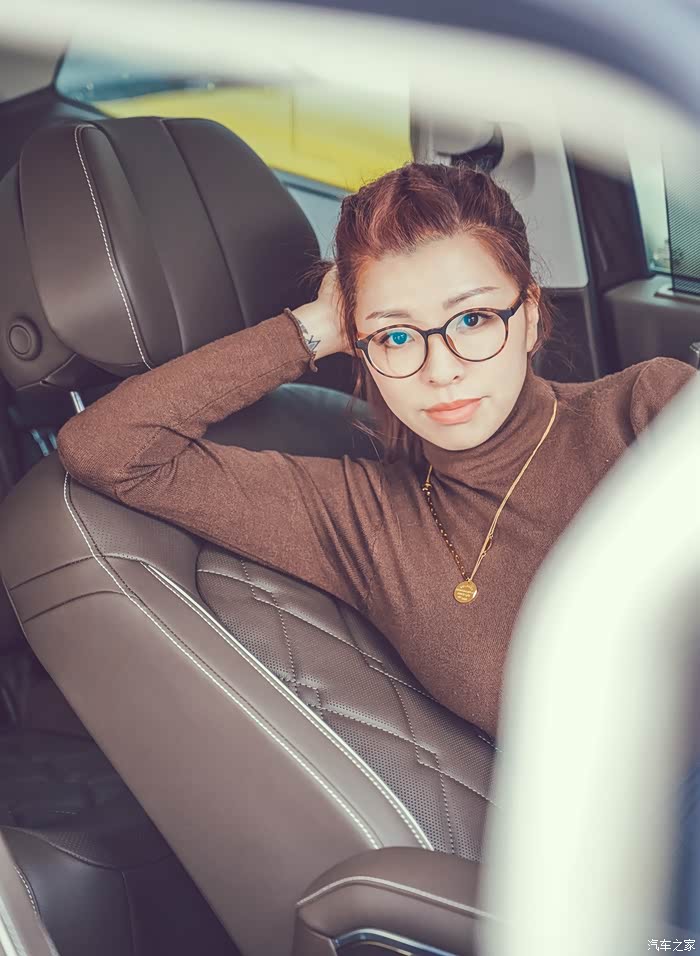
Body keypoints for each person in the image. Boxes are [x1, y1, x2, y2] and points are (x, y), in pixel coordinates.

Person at [56, 162, 695, 744]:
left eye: (473, 320)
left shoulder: (649, 409)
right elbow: (107, 449)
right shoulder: (363, 519)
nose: (441, 370)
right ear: (358, 347)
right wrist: (310, 329)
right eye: (395, 336)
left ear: (527, 314)